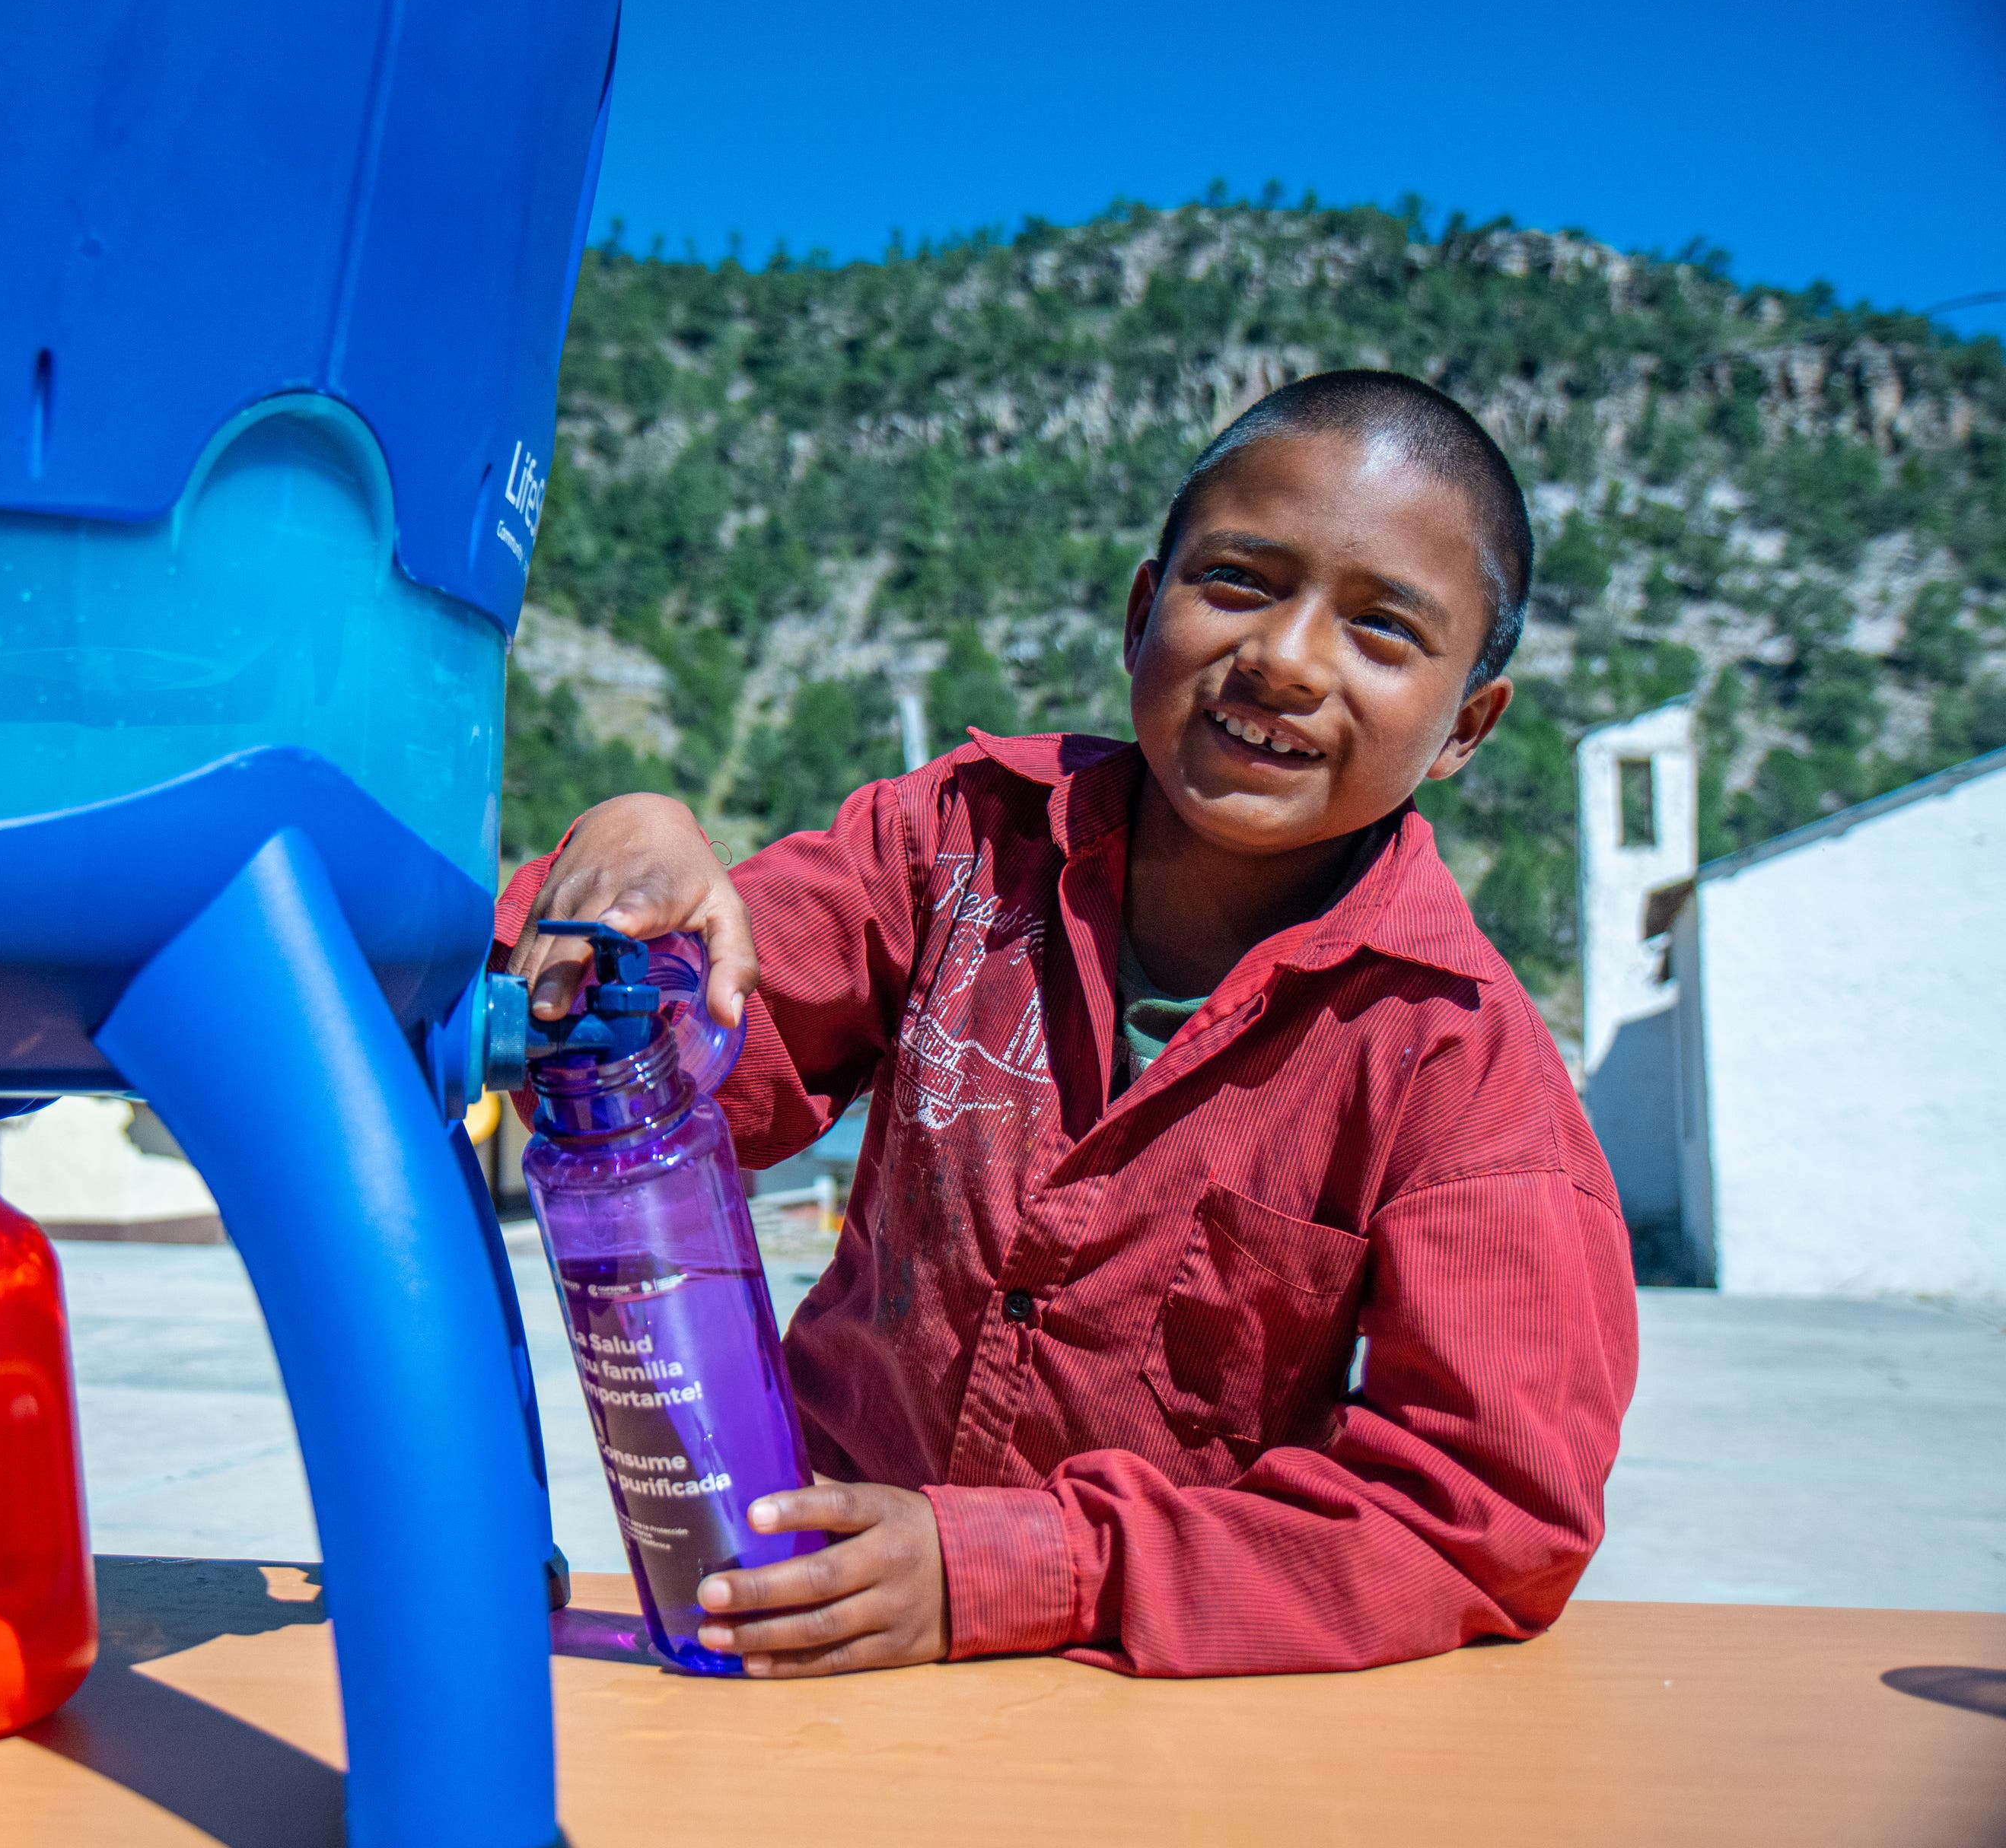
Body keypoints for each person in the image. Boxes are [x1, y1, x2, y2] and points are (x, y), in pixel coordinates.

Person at [501, 371, 1639, 1680]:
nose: (1285, 657)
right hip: (799, 1623)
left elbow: (1484, 1521)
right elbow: (684, 1071)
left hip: (1147, 1701)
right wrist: (630, 851)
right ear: (1141, 612)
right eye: (1240, 583)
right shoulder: (957, 850)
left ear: (1466, 729)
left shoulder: (1459, 1065)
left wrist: (1030, 1569)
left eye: (1383, 631)